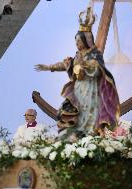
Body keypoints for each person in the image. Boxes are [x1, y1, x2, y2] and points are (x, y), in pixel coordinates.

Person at [35, 7, 120, 140]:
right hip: (78, 88)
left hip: (91, 90)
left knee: (88, 115)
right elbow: (65, 65)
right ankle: (73, 134)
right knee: (73, 111)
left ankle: (89, 136)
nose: (77, 44)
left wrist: (85, 66)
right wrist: (49, 67)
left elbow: (98, 69)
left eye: (79, 41)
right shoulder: (78, 55)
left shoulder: (95, 54)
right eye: (76, 41)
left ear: (86, 41)